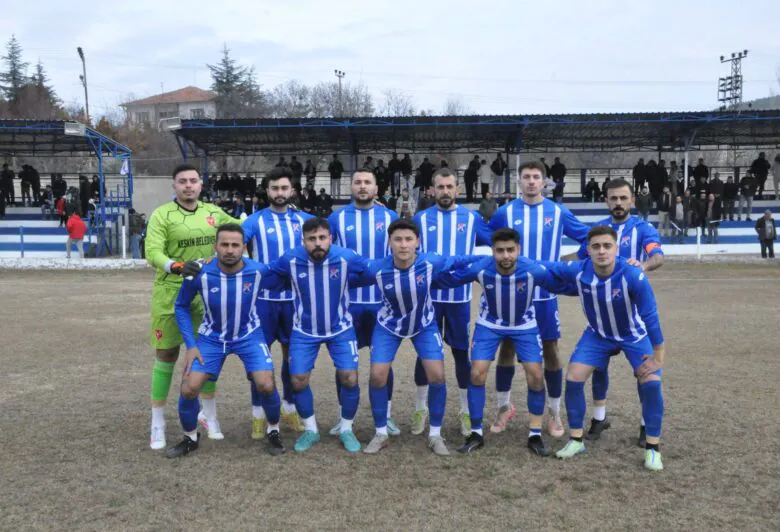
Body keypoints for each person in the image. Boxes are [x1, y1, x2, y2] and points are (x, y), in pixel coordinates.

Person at [350, 219, 482, 456]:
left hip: (423, 325)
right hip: (388, 326)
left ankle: (435, 434)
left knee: (437, 376)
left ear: (417, 242)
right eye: (398, 239)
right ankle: (380, 433)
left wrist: (489, 260)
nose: (403, 245)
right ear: (389, 242)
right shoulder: (377, 268)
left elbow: (459, 261)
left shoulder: (431, 262)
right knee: (377, 376)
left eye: (408, 239)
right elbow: (349, 278)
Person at [547, 226, 667, 472]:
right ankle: (576, 440)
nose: (601, 251)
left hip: (633, 336)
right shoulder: (580, 270)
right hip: (598, 335)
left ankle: (653, 448)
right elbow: (546, 269)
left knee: (652, 382)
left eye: (607, 246)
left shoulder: (632, 275)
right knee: (573, 377)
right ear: (588, 250)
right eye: (596, 247)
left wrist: (658, 357)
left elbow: (651, 317)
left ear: (616, 248)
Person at [437, 229, 565, 456]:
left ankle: (534, 434)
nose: (505, 256)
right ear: (492, 251)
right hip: (490, 324)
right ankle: (476, 433)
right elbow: (451, 279)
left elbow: (562, 282)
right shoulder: (481, 268)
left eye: (510, 250)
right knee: (476, 373)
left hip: (524, 325)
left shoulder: (533, 270)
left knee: (535, 374)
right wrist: (422, 276)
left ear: (519, 250)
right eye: (500, 251)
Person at [167, 224, 288, 458]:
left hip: (248, 336)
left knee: (265, 384)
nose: (230, 250)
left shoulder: (259, 271)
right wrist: (191, 346)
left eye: (235, 245)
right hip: (210, 338)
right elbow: (181, 306)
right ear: (215, 247)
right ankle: (190, 437)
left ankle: (273, 430)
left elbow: (285, 280)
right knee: (190, 387)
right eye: (224, 244)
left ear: (244, 248)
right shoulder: (199, 273)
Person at [487, 161, 590, 437]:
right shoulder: (504, 212)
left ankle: (553, 412)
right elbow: (492, 241)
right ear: (519, 182)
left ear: (544, 182)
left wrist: (563, 261)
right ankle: (504, 407)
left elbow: (587, 239)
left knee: (551, 351)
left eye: (536, 177)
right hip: (512, 293)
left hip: (544, 295)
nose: (531, 182)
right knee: (507, 348)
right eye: (526, 177)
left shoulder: (558, 212)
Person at [144, 164, 238, 451]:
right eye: (182, 181)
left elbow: (239, 229)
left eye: (193, 181)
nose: (188, 185)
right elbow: (152, 252)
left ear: (200, 185)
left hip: (206, 294)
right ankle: (157, 421)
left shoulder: (213, 213)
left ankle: (208, 415)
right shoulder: (162, 214)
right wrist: (176, 266)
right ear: (174, 186)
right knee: (168, 354)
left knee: (206, 355)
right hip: (171, 292)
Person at [568, 178, 664, 443]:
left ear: (632, 200)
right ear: (606, 201)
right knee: (597, 366)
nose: (619, 203)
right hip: (602, 312)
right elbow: (579, 259)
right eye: (613, 198)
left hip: (632, 313)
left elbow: (658, 257)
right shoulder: (599, 231)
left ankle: (646, 425)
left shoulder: (642, 228)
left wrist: (641, 267)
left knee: (643, 370)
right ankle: (600, 417)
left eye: (623, 198)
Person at [266, 217, 372, 454]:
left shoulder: (346, 257)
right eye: (311, 239)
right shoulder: (290, 259)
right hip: (304, 331)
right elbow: (264, 272)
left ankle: (346, 428)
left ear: (330, 239)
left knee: (350, 378)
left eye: (322, 238)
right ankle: (311, 430)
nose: (317, 243)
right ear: (303, 241)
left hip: (341, 329)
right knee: (298, 380)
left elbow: (373, 269)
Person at [413, 168, 492, 437]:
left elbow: (497, 243)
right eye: (440, 187)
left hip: (459, 299)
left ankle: (465, 411)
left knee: (461, 355)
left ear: (457, 189)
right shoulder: (420, 219)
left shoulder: (471, 218)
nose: (445, 191)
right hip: (428, 299)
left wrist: (478, 269)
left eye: (449, 186)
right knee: (424, 354)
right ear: (432, 190)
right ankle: (420, 408)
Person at [241, 167, 314, 437]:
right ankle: (258, 414)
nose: (280, 193)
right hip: (261, 301)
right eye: (275, 188)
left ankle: (289, 407)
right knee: (258, 358)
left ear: (291, 190)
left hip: (295, 301)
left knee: (291, 358)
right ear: (267, 191)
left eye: (284, 188)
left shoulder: (305, 221)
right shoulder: (253, 221)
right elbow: (236, 247)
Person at [328, 168, 399, 436]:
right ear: (351, 187)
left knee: (383, 363)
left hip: (382, 303)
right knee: (345, 365)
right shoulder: (337, 218)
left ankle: (388, 416)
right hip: (347, 304)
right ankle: (344, 418)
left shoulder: (389, 216)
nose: (362, 186)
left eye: (367, 182)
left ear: (376, 188)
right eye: (357, 182)